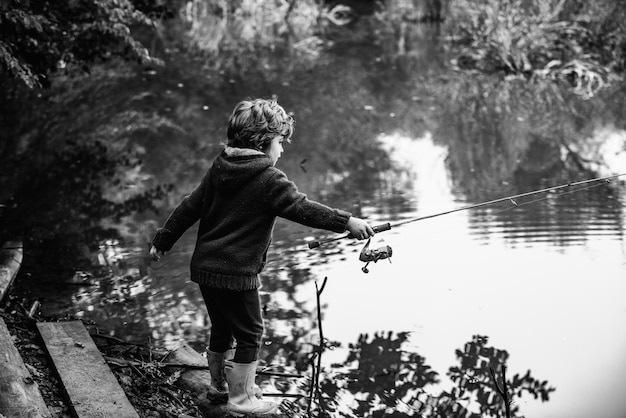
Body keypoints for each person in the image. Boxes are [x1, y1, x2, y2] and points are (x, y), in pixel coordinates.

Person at [150, 97, 374, 415]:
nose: (282, 150)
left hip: (204, 270)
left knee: (221, 328)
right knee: (251, 333)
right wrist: (346, 221)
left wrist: (163, 240)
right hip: (237, 273)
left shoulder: (220, 167)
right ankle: (242, 400)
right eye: (280, 142)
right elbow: (302, 208)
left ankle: (218, 388)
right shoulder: (268, 179)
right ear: (264, 141)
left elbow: (190, 205)